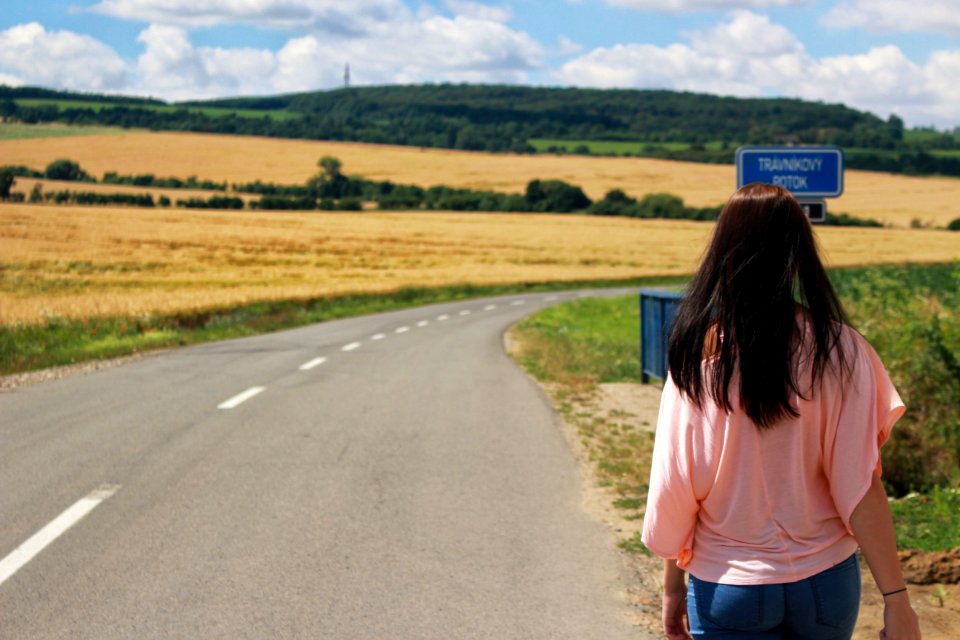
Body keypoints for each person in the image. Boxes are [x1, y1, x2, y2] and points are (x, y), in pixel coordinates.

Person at [640, 183, 922, 640]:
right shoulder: (844, 351)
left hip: (729, 586)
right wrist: (897, 600)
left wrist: (673, 587)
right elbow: (860, 483)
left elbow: (677, 487)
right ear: (798, 252)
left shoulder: (695, 358)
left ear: (723, 252)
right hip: (827, 585)